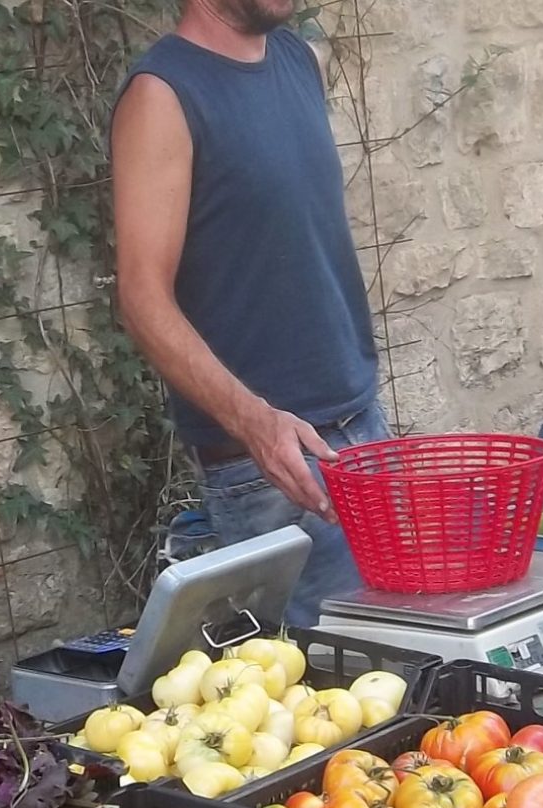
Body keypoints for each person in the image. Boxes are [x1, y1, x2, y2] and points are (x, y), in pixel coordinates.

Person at [111, 0, 389, 627]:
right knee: (334, 700)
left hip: (361, 432)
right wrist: (256, 424)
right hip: (271, 473)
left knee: (403, 686)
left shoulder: (297, 59)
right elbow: (141, 297)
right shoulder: (163, 95)